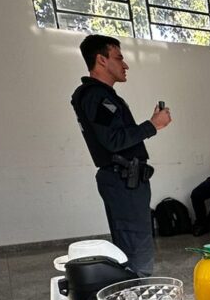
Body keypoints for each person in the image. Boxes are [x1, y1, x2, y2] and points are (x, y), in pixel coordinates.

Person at [70, 34, 172, 276]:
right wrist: (153, 125)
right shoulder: (96, 96)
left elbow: (115, 135)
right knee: (136, 251)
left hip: (127, 180)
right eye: (119, 57)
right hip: (123, 179)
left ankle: (134, 294)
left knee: (133, 246)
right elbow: (113, 140)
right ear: (101, 60)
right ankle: (138, 299)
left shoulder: (100, 96)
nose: (125, 64)